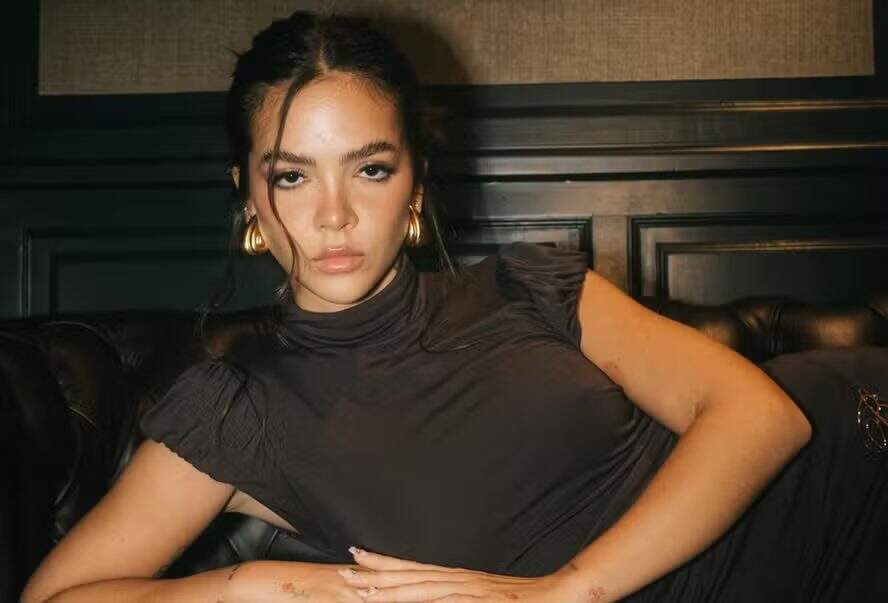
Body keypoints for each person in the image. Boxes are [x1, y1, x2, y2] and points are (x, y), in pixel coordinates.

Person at [21, 11, 888, 603]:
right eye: (292, 176)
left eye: (370, 168)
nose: (333, 214)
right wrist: (256, 587)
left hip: (856, 455)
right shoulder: (236, 413)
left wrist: (562, 592)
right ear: (248, 196)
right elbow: (58, 596)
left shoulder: (528, 286)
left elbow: (762, 415)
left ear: (414, 188)